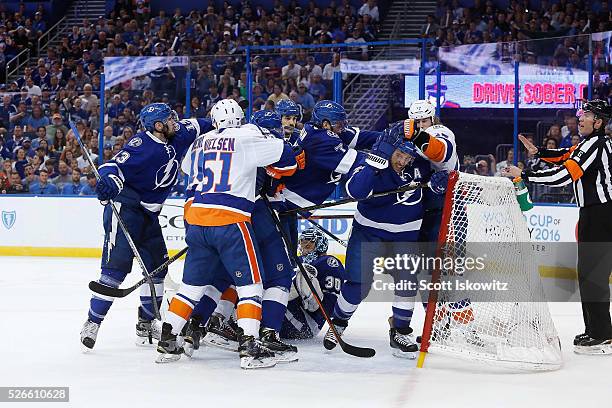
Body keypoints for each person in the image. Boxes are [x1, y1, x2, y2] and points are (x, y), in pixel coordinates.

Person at [158, 99, 298, 369]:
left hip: (197, 220)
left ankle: (168, 341)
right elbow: (285, 156)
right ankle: (249, 348)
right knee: (251, 285)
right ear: (240, 118)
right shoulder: (247, 135)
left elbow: (187, 168)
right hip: (231, 219)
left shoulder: (200, 141)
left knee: (191, 287)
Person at [80, 103, 214, 350]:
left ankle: (145, 323)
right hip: (126, 210)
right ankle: (93, 322)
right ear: (158, 126)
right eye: (169, 119)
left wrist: (222, 119)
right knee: (114, 272)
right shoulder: (141, 146)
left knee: (156, 271)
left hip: (150, 215)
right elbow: (113, 166)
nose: (176, 121)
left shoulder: (179, 132)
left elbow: (202, 123)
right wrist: (109, 181)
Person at [324, 123, 448, 358]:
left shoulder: (420, 164)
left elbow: (433, 187)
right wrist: (372, 166)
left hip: (406, 235)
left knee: (407, 281)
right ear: (390, 149)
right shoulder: (372, 158)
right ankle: (338, 323)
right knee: (358, 284)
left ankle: (400, 331)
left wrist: (437, 187)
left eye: (408, 156)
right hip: (368, 233)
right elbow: (354, 191)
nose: (403, 161)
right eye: (399, 155)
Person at [503, 99, 612, 354]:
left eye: (586, 115)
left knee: (593, 274)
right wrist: (538, 153)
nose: (580, 118)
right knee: (587, 274)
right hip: (593, 214)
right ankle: (595, 329)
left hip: (601, 214)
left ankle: (603, 334)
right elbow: (565, 156)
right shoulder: (587, 144)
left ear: (598, 122)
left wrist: (524, 175)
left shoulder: (596, 144)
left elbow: (565, 174)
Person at [280, 228, 346, 340]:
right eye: (302, 245)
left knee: (303, 274)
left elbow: (331, 301)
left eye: (308, 246)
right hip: (289, 317)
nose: (304, 250)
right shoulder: (298, 260)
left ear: (320, 246)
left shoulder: (329, 262)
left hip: (306, 324)